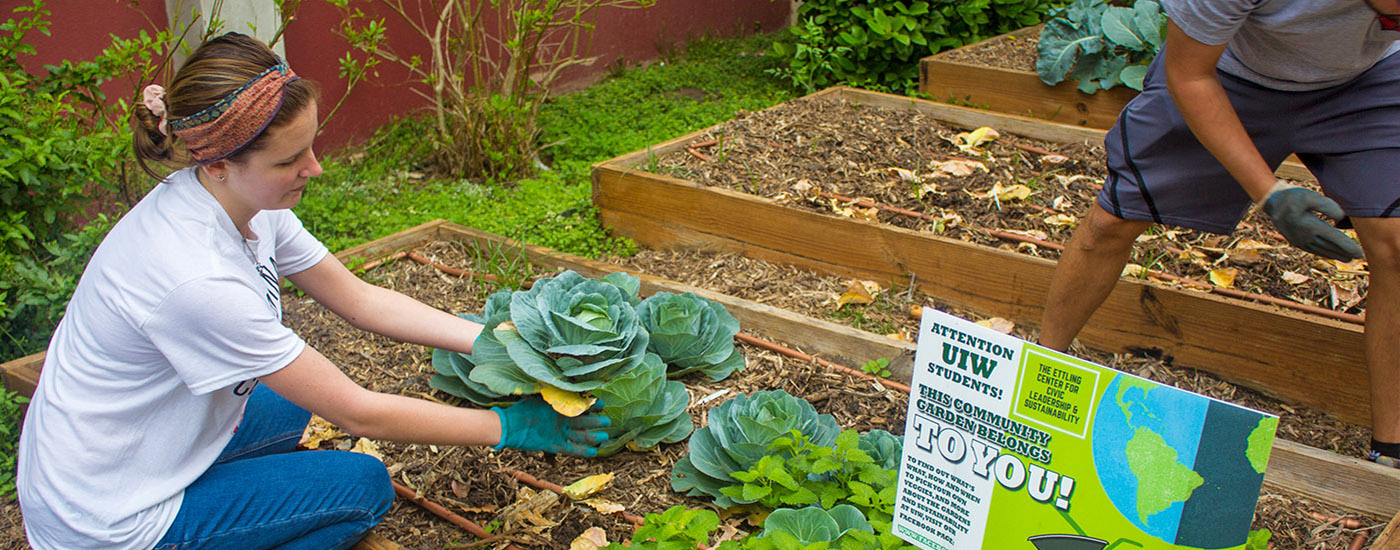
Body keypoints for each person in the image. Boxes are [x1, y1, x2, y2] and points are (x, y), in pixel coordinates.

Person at [16, 32, 611, 550]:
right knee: (362, 489)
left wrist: (498, 343)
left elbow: (357, 298)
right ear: (221, 162)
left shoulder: (245, 201)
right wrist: (510, 428)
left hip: (121, 448)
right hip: (107, 522)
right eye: (290, 159)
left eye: (311, 145)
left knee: (287, 402)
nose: (316, 168)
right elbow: (355, 409)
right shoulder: (193, 278)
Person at [1040, 0, 1400, 467]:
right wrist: (1269, 193)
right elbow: (1190, 75)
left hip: (1367, 83)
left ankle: (1391, 451)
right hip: (1228, 74)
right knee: (1114, 218)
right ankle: (1040, 377)